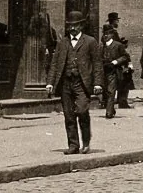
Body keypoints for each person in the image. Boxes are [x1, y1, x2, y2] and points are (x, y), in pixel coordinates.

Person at [45, 10, 103, 155]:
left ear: (81, 26)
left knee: (82, 111)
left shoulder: (90, 42)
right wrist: (50, 83)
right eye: (70, 25)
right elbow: (55, 64)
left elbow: (97, 64)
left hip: (82, 83)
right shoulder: (62, 43)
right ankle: (73, 145)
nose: (73, 28)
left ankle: (86, 142)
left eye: (76, 25)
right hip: (66, 83)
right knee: (69, 115)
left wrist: (97, 83)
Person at [101, 26, 131, 119]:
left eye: (108, 34)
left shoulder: (118, 45)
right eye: (104, 34)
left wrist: (116, 62)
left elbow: (125, 56)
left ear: (112, 35)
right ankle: (111, 108)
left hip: (113, 71)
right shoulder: (101, 46)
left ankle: (109, 112)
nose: (106, 36)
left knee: (111, 90)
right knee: (105, 91)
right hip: (103, 71)